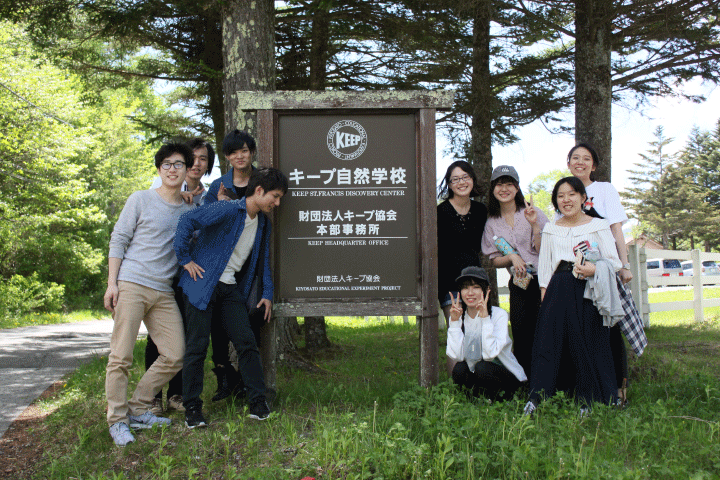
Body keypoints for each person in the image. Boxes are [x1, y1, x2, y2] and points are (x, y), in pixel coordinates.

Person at [174, 167, 288, 428]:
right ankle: (192, 408)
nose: (277, 203)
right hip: (201, 284)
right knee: (197, 347)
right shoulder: (228, 209)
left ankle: (257, 403)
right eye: (275, 196)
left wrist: (268, 293)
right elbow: (187, 221)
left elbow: (262, 262)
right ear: (259, 191)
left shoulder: (262, 224)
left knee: (246, 343)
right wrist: (185, 260)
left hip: (228, 288)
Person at [103, 143, 195, 446]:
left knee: (175, 353)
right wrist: (112, 283)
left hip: (163, 290)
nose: (172, 169)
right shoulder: (140, 199)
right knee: (121, 357)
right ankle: (117, 420)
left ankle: (139, 407)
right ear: (159, 169)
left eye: (178, 164)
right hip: (131, 283)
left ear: (187, 170)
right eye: (166, 164)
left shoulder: (188, 209)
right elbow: (119, 239)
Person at [525, 176, 621, 415]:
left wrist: (594, 269)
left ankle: (589, 398)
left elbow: (614, 261)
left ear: (583, 198)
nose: (566, 200)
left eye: (571, 194)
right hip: (558, 287)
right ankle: (539, 396)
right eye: (560, 196)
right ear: (556, 202)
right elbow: (546, 268)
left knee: (587, 341)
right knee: (549, 342)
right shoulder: (551, 229)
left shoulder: (598, 225)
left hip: (589, 288)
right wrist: (545, 298)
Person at [565, 143, 647, 405]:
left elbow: (616, 229)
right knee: (587, 329)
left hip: (604, 268)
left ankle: (620, 389)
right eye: (575, 158)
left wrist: (623, 265)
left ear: (594, 165)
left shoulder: (604, 190)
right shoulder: (565, 191)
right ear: (568, 163)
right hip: (578, 272)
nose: (580, 162)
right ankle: (590, 386)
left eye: (586, 158)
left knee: (611, 325)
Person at [145, 138, 216, 416]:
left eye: (204, 159)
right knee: (156, 336)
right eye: (194, 157)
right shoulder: (160, 187)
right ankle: (153, 396)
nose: (198, 164)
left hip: (188, 277)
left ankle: (176, 393)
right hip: (160, 272)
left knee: (180, 333)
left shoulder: (207, 194)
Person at [204, 130, 258, 399]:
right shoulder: (218, 186)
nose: (240, 156)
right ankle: (225, 377)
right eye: (234, 152)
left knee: (251, 322)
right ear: (226, 157)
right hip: (222, 266)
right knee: (217, 323)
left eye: (245, 150)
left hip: (250, 263)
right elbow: (205, 224)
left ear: (252, 153)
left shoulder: (260, 181)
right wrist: (221, 206)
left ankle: (248, 381)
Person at [481, 165, 548, 376]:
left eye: (509, 184)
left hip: (543, 280)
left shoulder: (532, 212)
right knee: (520, 330)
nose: (504, 188)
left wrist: (535, 225)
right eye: (499, 184)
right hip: (519, 282)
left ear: (517, 188)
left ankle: (547, 377)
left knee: (544, 328)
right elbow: (494, 260)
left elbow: (544, 249)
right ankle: (524, 378)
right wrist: (511, 257)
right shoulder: (492, 222)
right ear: (493, 189)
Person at [446, 266, 527, 400]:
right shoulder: (459, 317)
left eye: (476, 287)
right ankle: (474, 402)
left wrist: (485, 319)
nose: (470, 293)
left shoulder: (498, 315)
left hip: (504, 374)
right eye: (465, 287)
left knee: (482, 367)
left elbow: (490, 354)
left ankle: (500, 400)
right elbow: (456, 356)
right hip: (478, 373)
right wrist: (454, 323)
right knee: (459, 369)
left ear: (486, 290)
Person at [437, 160, 487, 328]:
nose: (461, 182)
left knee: (477, 334)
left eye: (465, 177)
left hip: (475, 281)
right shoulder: (439, 212)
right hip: (449, 281)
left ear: (472, 179)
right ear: (449, 185)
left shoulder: (481, 210)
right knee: (456, 334)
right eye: (455, 179)